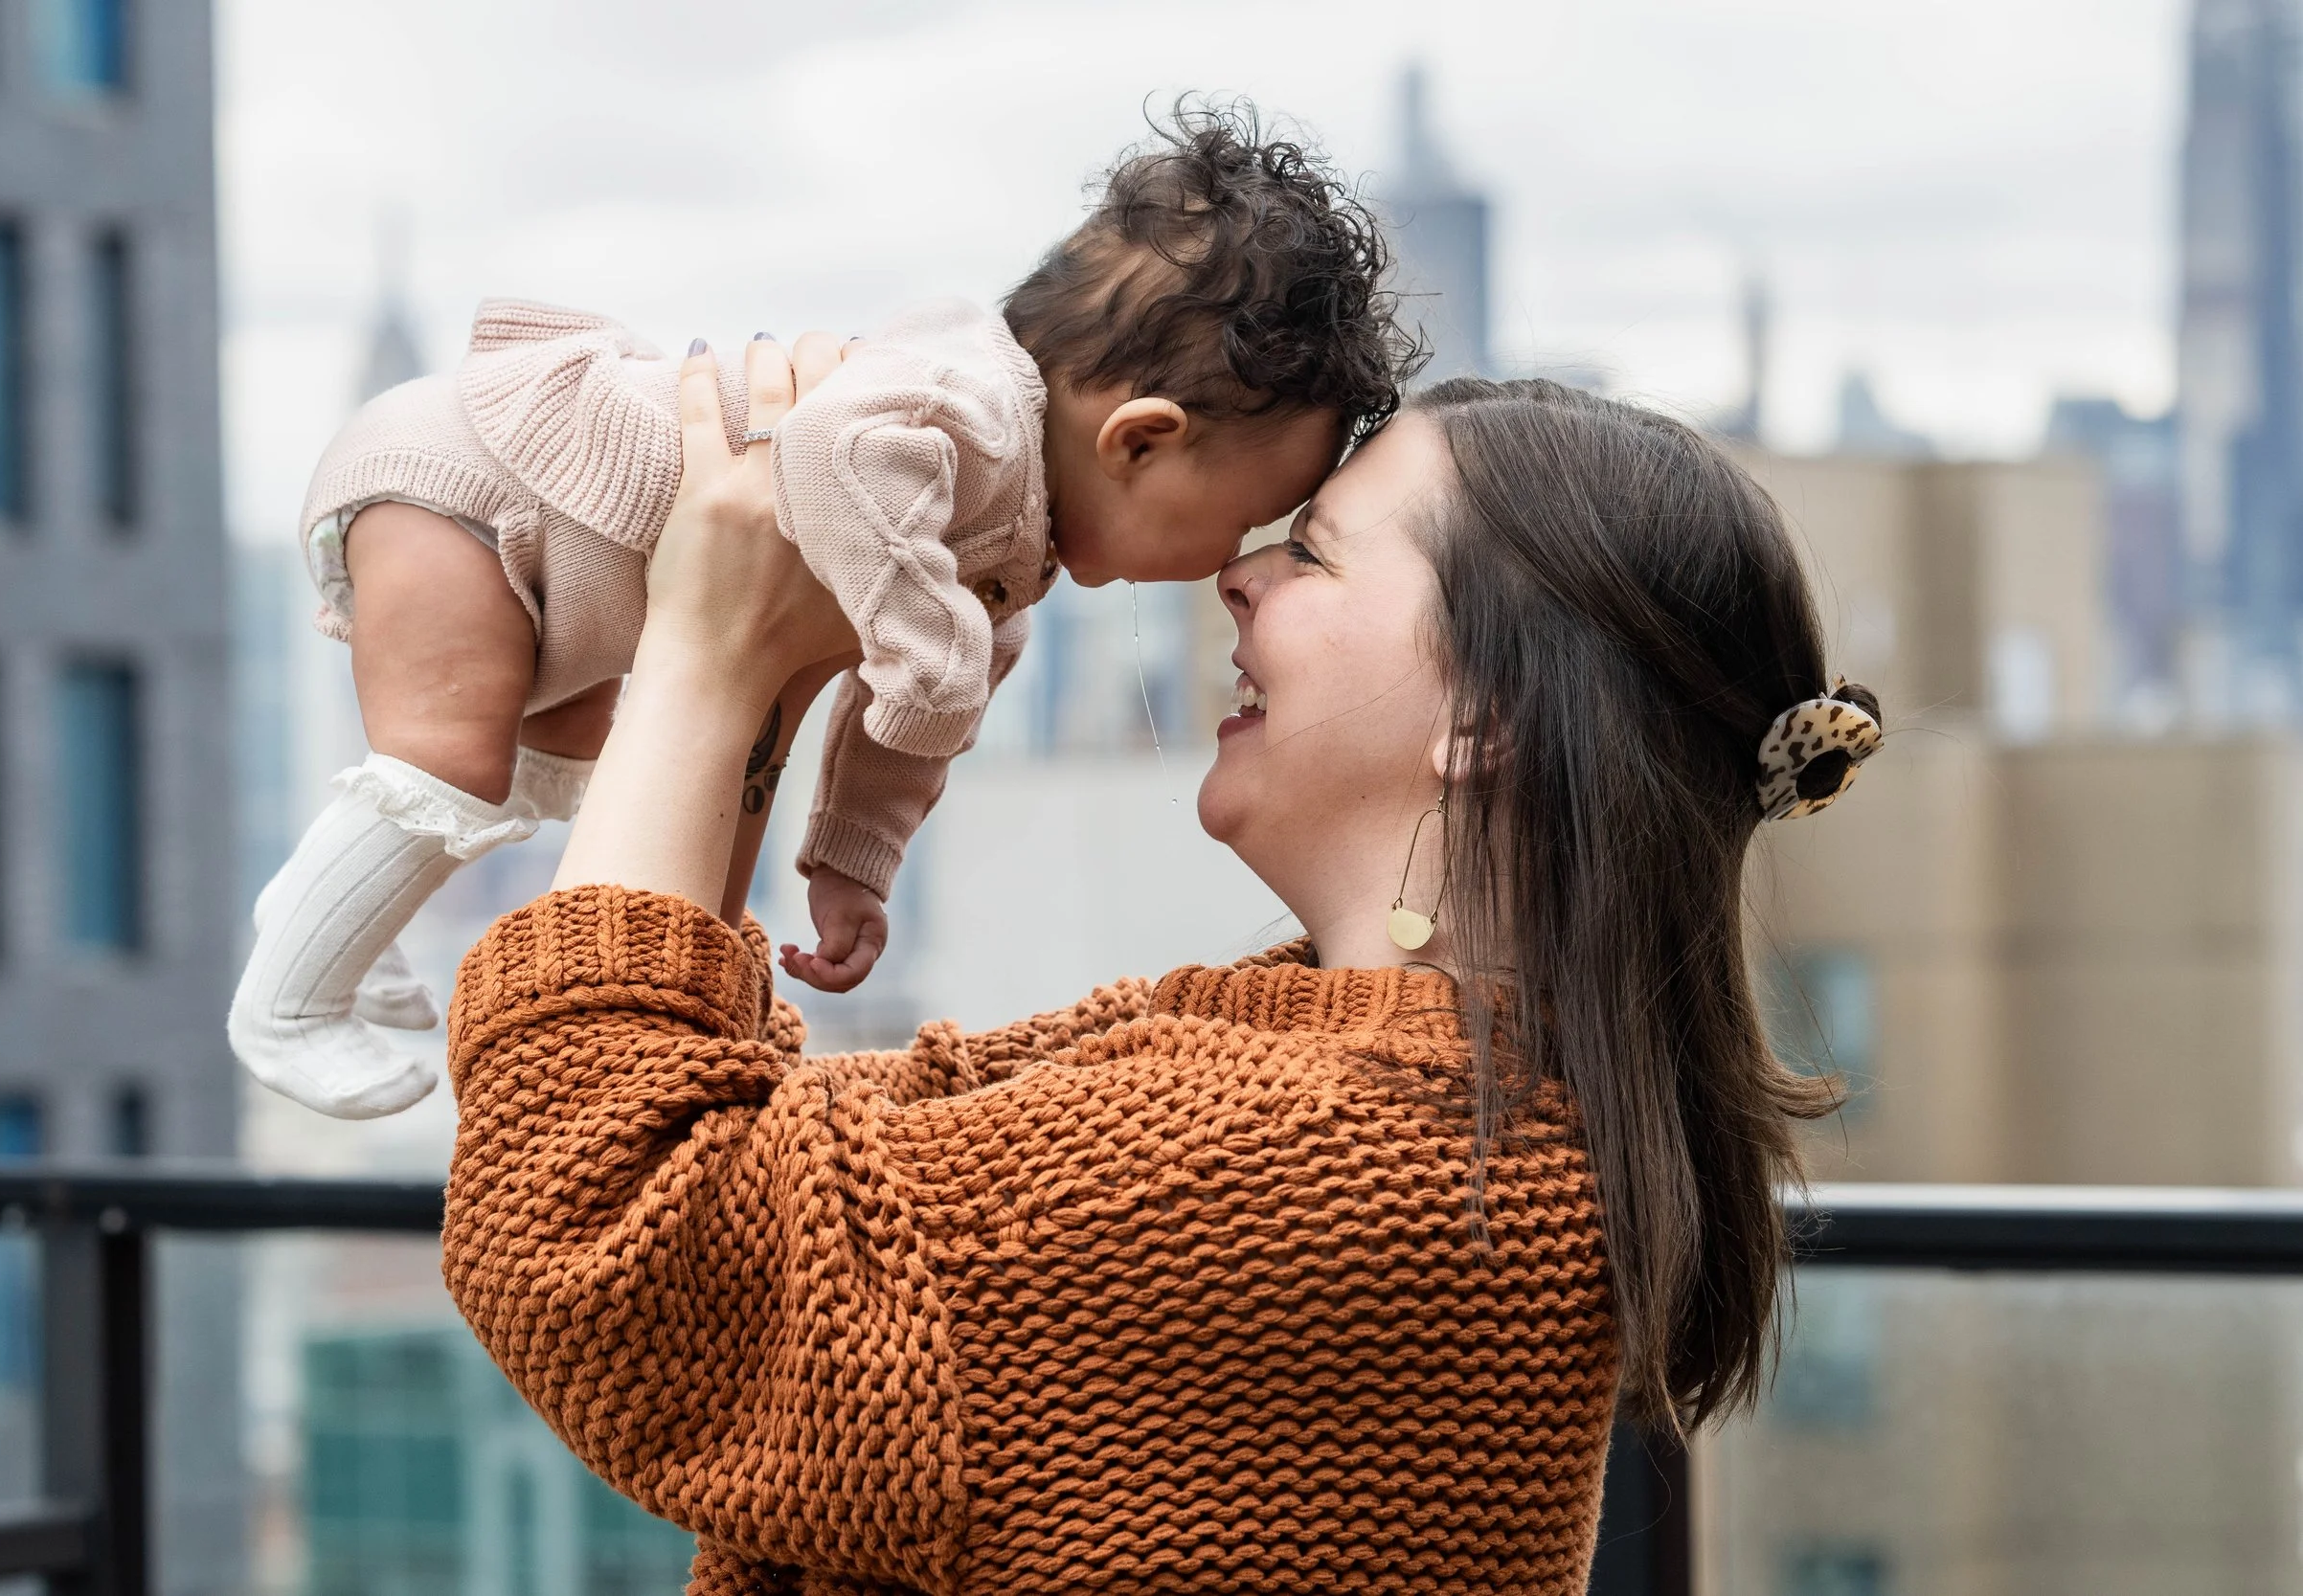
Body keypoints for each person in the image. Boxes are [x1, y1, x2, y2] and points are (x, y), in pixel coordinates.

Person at [440, 332, 1877, 1594]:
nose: (1240, 573)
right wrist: (767, 679)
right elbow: (754, 1151)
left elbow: (607, 1235)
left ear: (1488, 714)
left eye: (1312, 551)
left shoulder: (1325, 1163)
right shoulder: (1402, 1103)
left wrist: (701, 647)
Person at [231, 103, 1417, 1120]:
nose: (1230, 563)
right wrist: (922, 646)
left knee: (553, 772)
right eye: (1246, 516)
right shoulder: (966, 401)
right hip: (479, 491)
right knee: (447, 755)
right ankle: (285, 1004)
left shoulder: (1009, 556)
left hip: (553, 570)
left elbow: (908, 727)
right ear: (1141, 440)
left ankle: (332, 919)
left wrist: (853, 859)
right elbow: (838, 445)